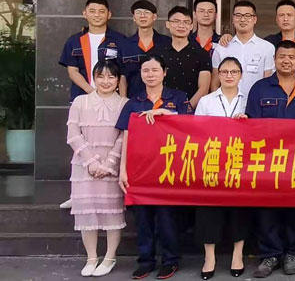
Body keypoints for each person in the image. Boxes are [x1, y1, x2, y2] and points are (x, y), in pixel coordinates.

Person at [116, 55, 193, 280]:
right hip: (141, 169)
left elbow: (191, 125)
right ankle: (146, 261)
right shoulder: (133, 102)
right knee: (143, 219)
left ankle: (170, 260)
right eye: (145, 70)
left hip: (169, 168)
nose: (150, 74)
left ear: (164, 72)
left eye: (155, 70)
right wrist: (123, 169)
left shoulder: (178, 98)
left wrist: (165, 113)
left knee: (167, 218)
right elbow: (126, 136)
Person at [246, 41, 295, 278]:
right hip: (266, 159)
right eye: (282, 56)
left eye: (291, 57)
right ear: (274, 59)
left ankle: (293, 253)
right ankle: (271, 254)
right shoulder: (260, 88)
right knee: (267, 207)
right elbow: (252, 125)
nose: (287, 61)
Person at [67, 59, 126, 278]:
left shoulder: (124, 104)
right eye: (100, 76)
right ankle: (91, 257)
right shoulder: (80, 102)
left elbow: (124, 137)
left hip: (112, 168)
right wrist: (91, 162)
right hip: (84, 167)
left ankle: (110, 257)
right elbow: (73, 134)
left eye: (111, 77)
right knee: (87, 212)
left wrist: (109, 164)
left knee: (112, 214)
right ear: (93, 78)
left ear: (118, 80)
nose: (106, 81)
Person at [192, 57, 250, 279]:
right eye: (224, 71)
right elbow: (196, 132)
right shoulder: (206, 101)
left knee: (239, 208)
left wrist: (247, 120)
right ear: (218, 75)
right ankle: (210, 257)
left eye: (234, 72)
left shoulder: (248, 99)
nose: (229, 76)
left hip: (241, 161)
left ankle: (238, 254)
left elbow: (258, 130)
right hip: (212, 160)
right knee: (208, 209)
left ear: (241, 75)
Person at [60, 0, 126, 101]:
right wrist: (92, 92)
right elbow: (72, 71)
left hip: (113, 98)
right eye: (92, 11)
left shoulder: (120, 40)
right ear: (85, 13)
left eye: (101, 11)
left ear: (109, 14)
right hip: (82, 97)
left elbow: (123, 73)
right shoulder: (74, 41)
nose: (97, 15)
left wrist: (122, 100)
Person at [211, 0, 275, 93]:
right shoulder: (222, 47)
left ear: (255, 19)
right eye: (238, 15)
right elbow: (215, 82)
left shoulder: (267, 48)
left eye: (247, 16)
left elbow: (268, 81)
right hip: (228, 101)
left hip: (255, 101)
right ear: (233, 19)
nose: (242, 20)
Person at [154, 6, 211, 108]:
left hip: (191, 110)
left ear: (191, 26)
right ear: (168, 24)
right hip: (160, 108)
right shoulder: (157, 53)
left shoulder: (201, 54)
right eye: (176, 21)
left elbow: (204, 88)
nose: (181, 25)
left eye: (186, 22)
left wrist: (187, 108)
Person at [120, 0, 172, 97]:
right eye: (138, 13)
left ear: (154, 17)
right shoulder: (125, 44)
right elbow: (122, 76)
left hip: (163, 99)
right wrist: (124, 100)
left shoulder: (167, 42)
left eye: (147, 12)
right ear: (134, 18)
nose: (142, 16)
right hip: (133, 98)